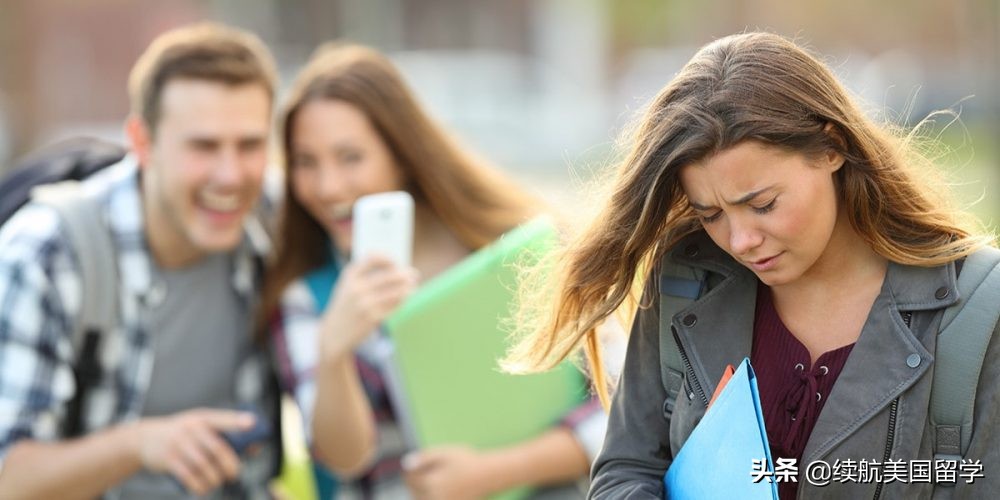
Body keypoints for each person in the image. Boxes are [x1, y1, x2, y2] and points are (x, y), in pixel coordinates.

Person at [504, 32, 1000, 499]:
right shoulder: (685, 280)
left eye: (763, 204)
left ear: (832, 148)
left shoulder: (979, 311)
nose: (741, 240)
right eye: (711, 214)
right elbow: (628, 468)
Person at [260, 43, 606, 499]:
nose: (327, 187)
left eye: (351, 158)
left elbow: (616, 413)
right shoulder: (309, 295)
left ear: (402, 155)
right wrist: (334, 351)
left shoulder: (519, 250)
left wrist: (489, 472)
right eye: (306, 162)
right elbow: (344, 458)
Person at [0, 22, 283, 498]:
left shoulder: (273, 230)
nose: (231, 175)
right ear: (142, 141)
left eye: (250, 145)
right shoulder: (47, 255)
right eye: (204, 146)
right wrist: (138, 445)